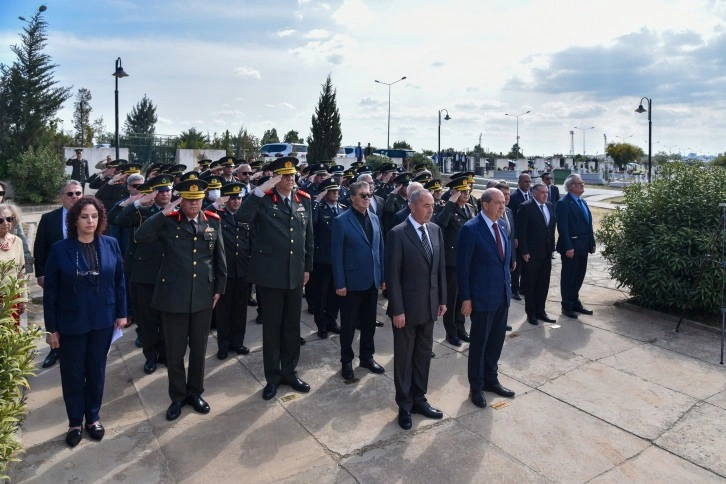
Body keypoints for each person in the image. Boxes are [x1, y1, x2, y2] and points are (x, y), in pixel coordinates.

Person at [134, 179, 227, 421]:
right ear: (181, 200)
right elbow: (141, 236)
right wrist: (163, 212)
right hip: (173, 297)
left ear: (202, 199)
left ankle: (195, 392)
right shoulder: (168, 222)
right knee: (175, 353)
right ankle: (177, 396)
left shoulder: (212, 222)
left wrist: (219, 288)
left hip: (203, 297)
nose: (194, 203)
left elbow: (219, 259)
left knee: (199, 349)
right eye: (188, 199)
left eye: (197, 199)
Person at [43, 196, 127, 447]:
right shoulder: (60, 249)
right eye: (84, 216)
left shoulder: (111, 244)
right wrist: (52, 329)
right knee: (72, 373)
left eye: (94, 216)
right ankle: (74, 422)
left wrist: (122, 313)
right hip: (71, 323)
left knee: (97, 371)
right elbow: (51, 293)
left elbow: (120, 281)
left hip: (103, 321)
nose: (90, 221)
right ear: (75, 220)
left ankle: (93, 417)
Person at [236, 157, 313, 401]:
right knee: (272, 329)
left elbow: (308, 237)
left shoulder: (304, 200)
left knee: (291, 326)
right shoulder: (264, 200)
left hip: (294, 273)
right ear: (276, 178)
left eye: (292, 176)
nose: (291, 180)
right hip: (270, 276)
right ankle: (273, 377)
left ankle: (290, 372)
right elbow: (241, 217)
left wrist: (307, 267)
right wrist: (260, 189)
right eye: (285, 176)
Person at [385, 189, 447, 430]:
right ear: (412, 207)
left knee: (423, 355)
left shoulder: (435, 230)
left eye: (432, 205)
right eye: (426, 205)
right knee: (404, 358)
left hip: (430, 306)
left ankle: (420, 398)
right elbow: (393, 277)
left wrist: (442, 299)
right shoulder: (397, 234)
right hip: (407, 311)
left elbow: (439, 269)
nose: (431, 210)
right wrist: (397, 310)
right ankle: (405, 404)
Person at [458, 188, 516, 409]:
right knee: (480, 343)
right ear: (485, 205)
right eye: (498, 203)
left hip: (501, 294)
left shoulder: (502, 225)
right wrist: (466, 298)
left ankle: (491, 379)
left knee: (496, 341)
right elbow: (464, 268)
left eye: (504, 202)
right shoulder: (470, 229)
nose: (503, 206)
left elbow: (503, 260)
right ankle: (476, 386)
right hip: (481, 297)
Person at [113, 174, 174, 374]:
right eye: (160, 190)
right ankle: (150, 357)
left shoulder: (176, 211)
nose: (165, 194)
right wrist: (137, 202)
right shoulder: (142, 212)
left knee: (166, 318)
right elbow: (117, 218)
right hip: (144, 273)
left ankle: (165, 354)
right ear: (153, 192)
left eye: (167, 190)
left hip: (168, 272)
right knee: (147, 320)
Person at [332, 181, 385, 380]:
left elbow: (380, 248)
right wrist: (340, 283)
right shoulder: (341, 221)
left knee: (369, 323)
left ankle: (367, 357)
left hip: (371, 280)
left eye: (369, 195)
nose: (367, 198)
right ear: (352, 197)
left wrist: (382, 277)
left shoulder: (374, 218)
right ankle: (346, 360)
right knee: (348, 325)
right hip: (351, 283)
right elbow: (336, 255)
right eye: (362, 195)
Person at [34, 180, 84, 368]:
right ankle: (55, 349)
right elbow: (40, 248)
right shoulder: (49, 219)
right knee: (54, 310)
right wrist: (40, 273)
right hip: (56, 275)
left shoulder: (90, 216)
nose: (75, 197)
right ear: (61, 196)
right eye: (70, 194)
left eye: (78, 193)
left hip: (83, 276)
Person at [434, 177, 477, 347]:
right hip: (452, 262)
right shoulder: (447, 210)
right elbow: (441, 223)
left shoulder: (471, 208)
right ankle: (450, 331)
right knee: (452, 299)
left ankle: (461, 327)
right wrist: (450, 202)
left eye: (467, 190)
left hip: (468, 260)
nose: (466, 193)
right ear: (454, 193)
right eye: (462, 191)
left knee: (463, 297)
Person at [212, 182, 252, 359]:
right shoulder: (217, 216)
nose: (237, 202)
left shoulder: (246, 216)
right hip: (225, 272)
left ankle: (238, 342)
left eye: (239, 198)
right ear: (226, 199)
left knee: (240, 309)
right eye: (233, 198)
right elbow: (204, 214)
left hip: (243, 270)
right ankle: (223, 345)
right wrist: (215, 203)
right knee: (224, 311)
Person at [555, 174, 596, 319]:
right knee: (569, 277)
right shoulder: (563, 203)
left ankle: (575, 302)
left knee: (579, 276)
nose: (582, 185)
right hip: (572, 247)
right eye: (580, 183)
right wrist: (568, 247)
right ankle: (567, 305)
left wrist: (592, 243)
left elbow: (588, 224)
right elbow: (563, 228)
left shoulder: (582, 202)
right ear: (571, 186)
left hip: (584, 246)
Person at [516, 183, 556, 325]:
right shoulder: (526, 207)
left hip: (546, 252)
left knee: (543, 284)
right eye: (542, 192)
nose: (545, 195)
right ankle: (531, 313)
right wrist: (524, 251)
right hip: (531, 254)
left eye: (547, 192)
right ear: (534, 193)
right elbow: (521, 231)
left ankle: (541, 311)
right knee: (531, 284)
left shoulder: (550, 206)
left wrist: (552, 247)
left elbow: (551, 229)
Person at [310, 178, 343, 339]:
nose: (336, 193)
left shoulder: (343, 208)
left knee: (336, 294)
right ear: (324, 193)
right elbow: (313, 221)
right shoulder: (319, 209)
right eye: (332, 191)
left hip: (339, 260)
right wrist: (316, 200)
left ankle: (332, 321)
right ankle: (321, 324)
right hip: (322, 260)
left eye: (337, 190)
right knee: (321, 295)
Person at [0, 203, 27, 325]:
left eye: (9, 219)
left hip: (12, 298)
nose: (6, 223)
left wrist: (23, 298)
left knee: (11, 337)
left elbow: (21, 272)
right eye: (0, 220)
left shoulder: (17, 241)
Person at [508, 172, 532, 300]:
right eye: (525, 182)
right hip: (518, 236)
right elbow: (513, 219)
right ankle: (515, 289)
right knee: (517, 265)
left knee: (527, 263)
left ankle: (524, 288)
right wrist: (515, 237)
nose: (528, 184)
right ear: (519, 183)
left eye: (529, 181)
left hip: (529, 236)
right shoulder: (514, 197)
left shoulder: (532, 195)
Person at [0, 181, 33, 275]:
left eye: (1, 193)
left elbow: (22, 243)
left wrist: (27, 269)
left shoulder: (10, 213)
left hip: (9, 270)